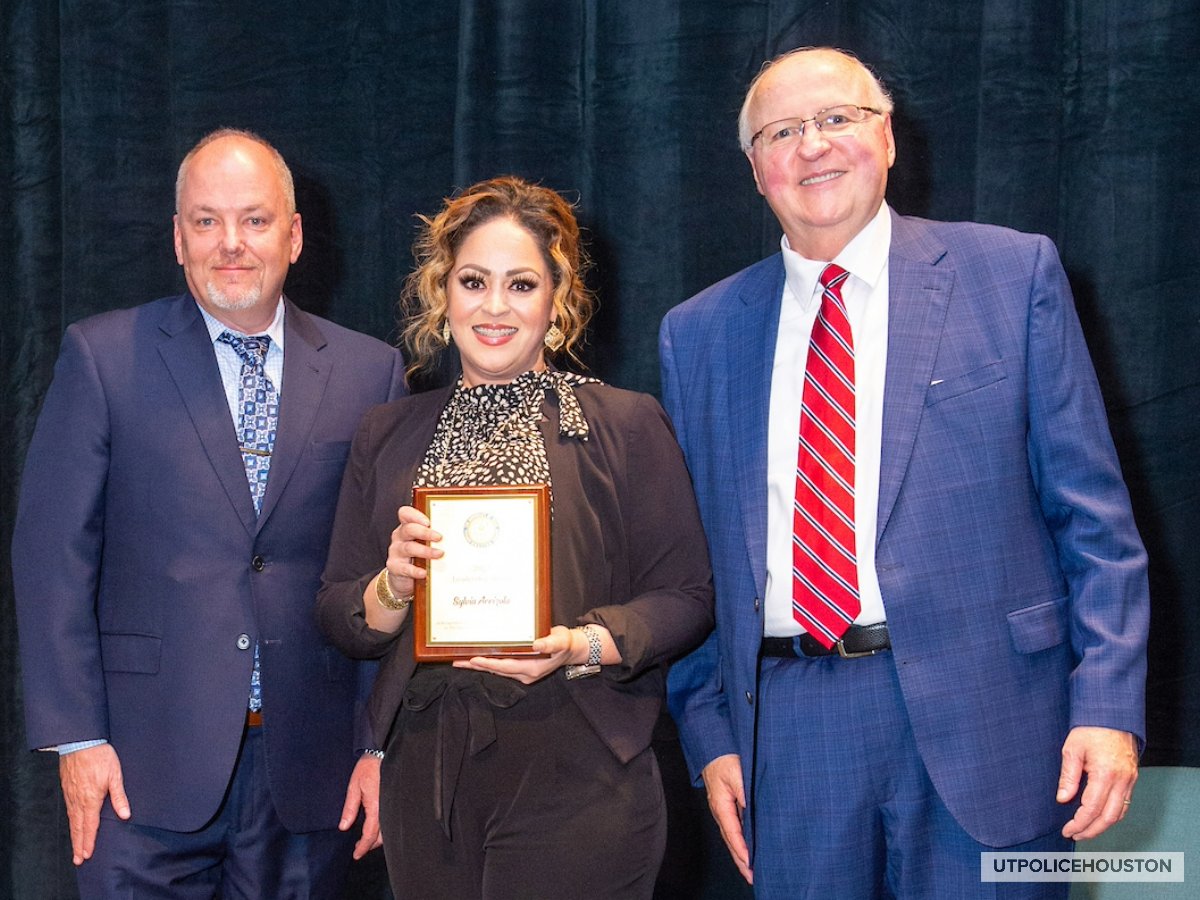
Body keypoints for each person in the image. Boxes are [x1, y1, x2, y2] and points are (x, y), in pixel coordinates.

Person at [660, 47, 1149, 899]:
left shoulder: (1011, 273)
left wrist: (1107, 704)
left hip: (994, 720)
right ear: (755, 170)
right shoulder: (697, 333)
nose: (812, 146)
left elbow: (1094, 521)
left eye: (837, 119)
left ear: (887, 139)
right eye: (783, 131)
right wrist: (710, 734)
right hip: (792, 729)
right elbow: (692, 560)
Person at [12, 128, 406, 898]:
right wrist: (77, 739)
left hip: (311, 772)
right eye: (206, 220)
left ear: (293, 237)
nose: (232, 243)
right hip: (139, 768)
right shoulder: (101, 358)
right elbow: (52, 557)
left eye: (255, 220)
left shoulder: (372, 372)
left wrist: (378, 746)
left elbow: (379, 574)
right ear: (178, 238)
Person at [316, 175, 714, 899]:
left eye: (521, 284)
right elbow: (339, 612)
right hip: (426, 768)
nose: (494, 307)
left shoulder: (623, 424)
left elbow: (686, 596)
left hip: (578, 757)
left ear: (557, 300)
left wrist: (582, 644)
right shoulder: (387, 431)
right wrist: (390, 587)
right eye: (473, 281)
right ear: (443, 292)